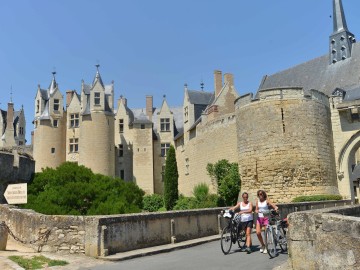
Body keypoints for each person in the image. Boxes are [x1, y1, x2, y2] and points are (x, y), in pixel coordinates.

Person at [255, 189, 278, 254]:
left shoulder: (266, 201)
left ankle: (266, 247)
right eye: (259, 194)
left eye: (261, 194)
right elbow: (256, 209)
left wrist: (276, 208)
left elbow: (274, 206)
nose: (260, 195)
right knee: (258, 233)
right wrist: (256, 211)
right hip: (259, 218)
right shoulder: (257, 202)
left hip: (266, 218)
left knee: (266, 233)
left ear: (263, 194)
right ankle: (263, 245)